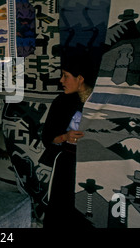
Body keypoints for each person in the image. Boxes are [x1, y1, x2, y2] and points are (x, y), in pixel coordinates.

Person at [39, 52, 98, 228]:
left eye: (66, 76)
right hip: (66, 163)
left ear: (80, 78)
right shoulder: (61, 102)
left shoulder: (100, 103)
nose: (61, 81)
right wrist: (66, 137)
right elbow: (48, 137)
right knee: (61, 208)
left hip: (92, 164)